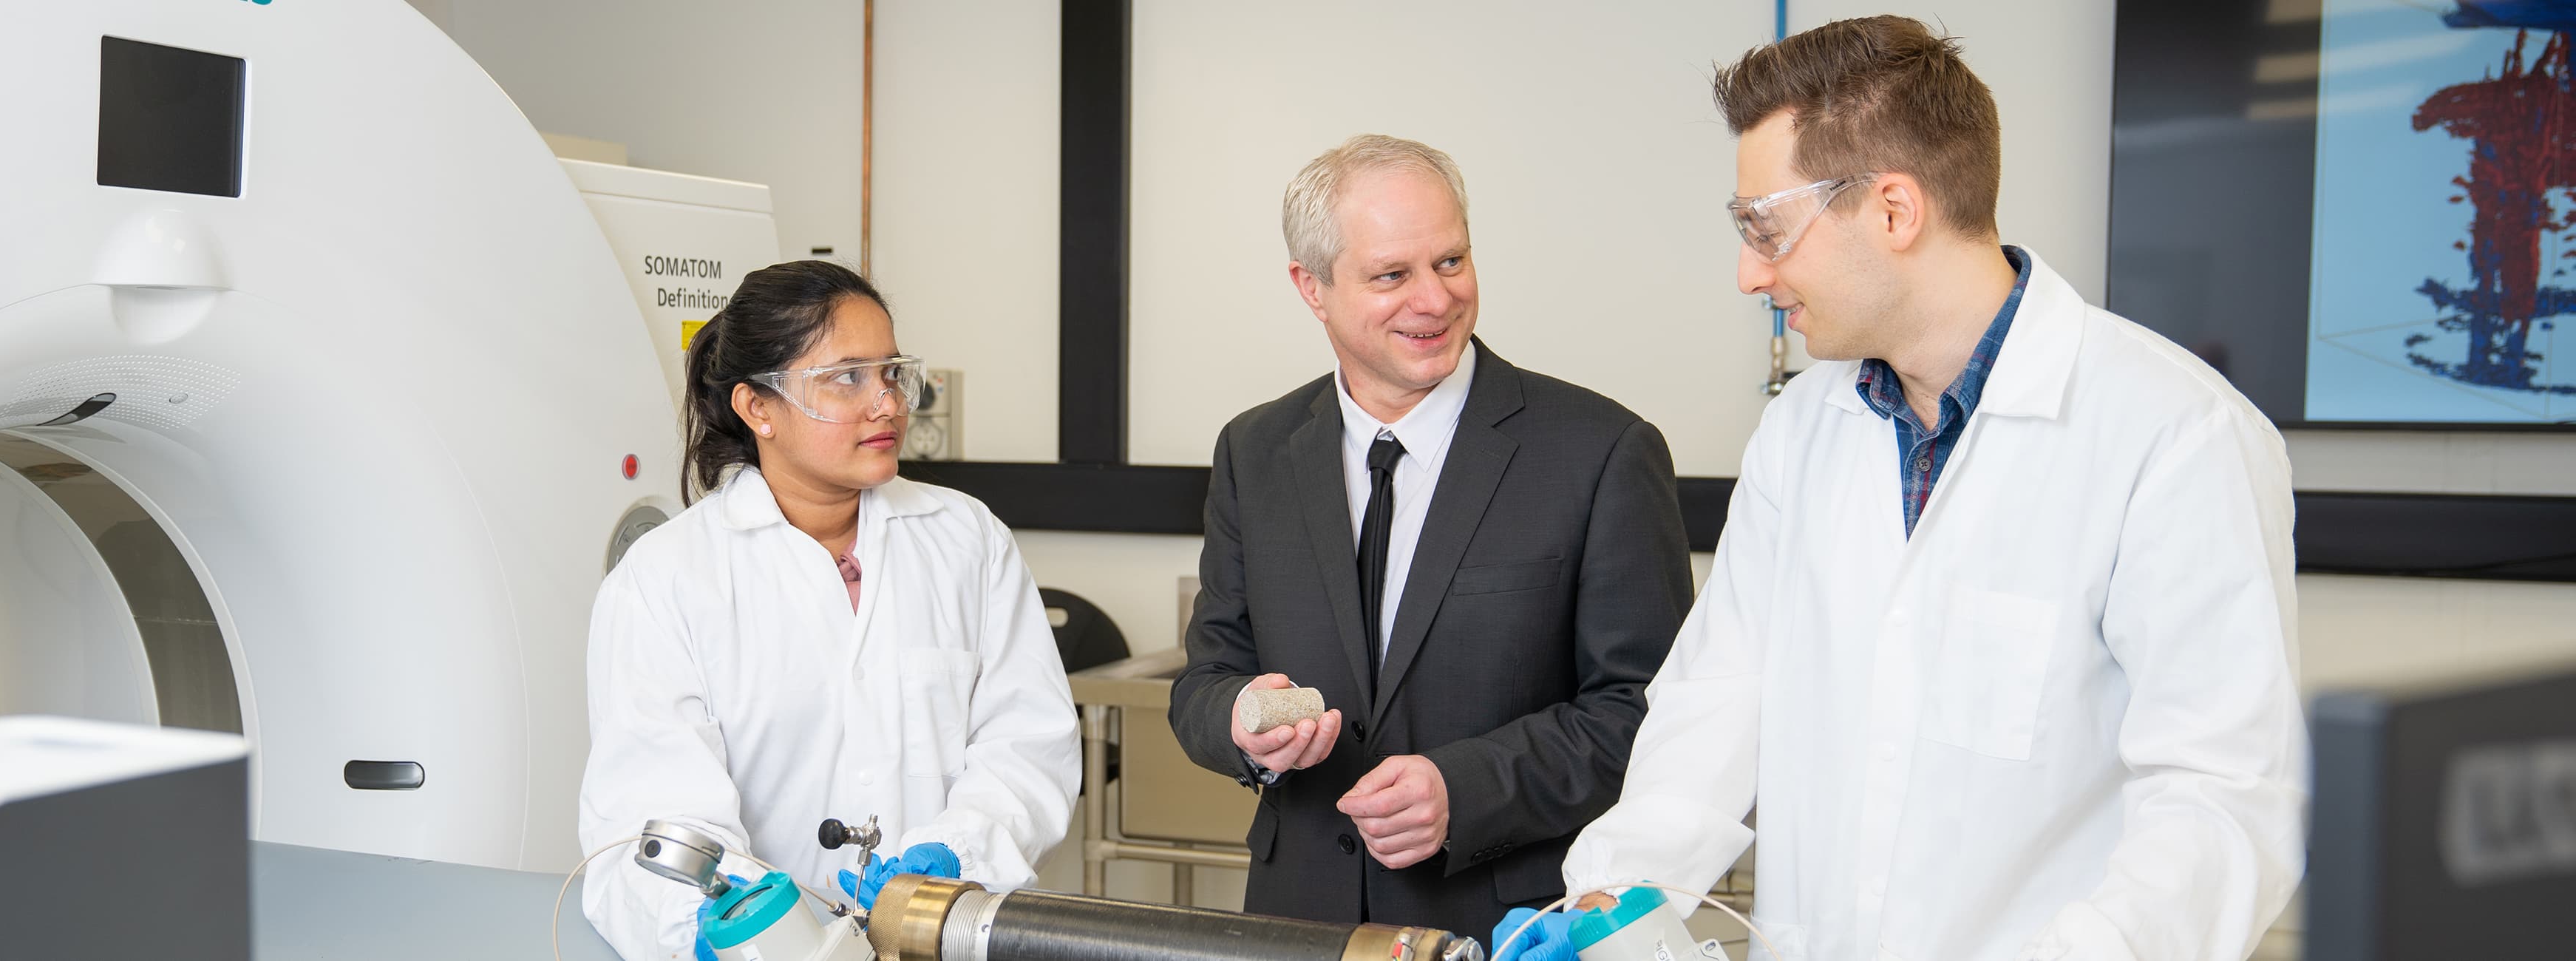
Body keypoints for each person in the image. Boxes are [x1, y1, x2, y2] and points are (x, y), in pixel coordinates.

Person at [1495, 17, 2305, 961]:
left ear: (1893, 211)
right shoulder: (1804, 428)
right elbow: (1719, 696)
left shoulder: (2175, 434)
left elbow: (2224, 799)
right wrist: (1613, 894)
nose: (1750, 273)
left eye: (1766, 229)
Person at [1168, 134, 1696, 945]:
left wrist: (1467, 789)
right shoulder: (1255, 450)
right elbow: (1205, 680)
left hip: (1505, 928)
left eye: (1451, 261)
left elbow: (1650, 713)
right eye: (1392, 275)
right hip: (1296, 924)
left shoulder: (1602, 452)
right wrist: (1239, 721)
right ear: (1312, 288)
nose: (1435, 299)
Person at [577, 261, 1080, 961]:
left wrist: (956, 853)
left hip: (938, 937)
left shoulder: (967, 540)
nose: (887, 403)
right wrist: (726, 929)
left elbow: (1029, 745)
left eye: (891, 373)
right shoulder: (666, 579)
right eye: (848, 378)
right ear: (758, 408)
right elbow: (657, 814)